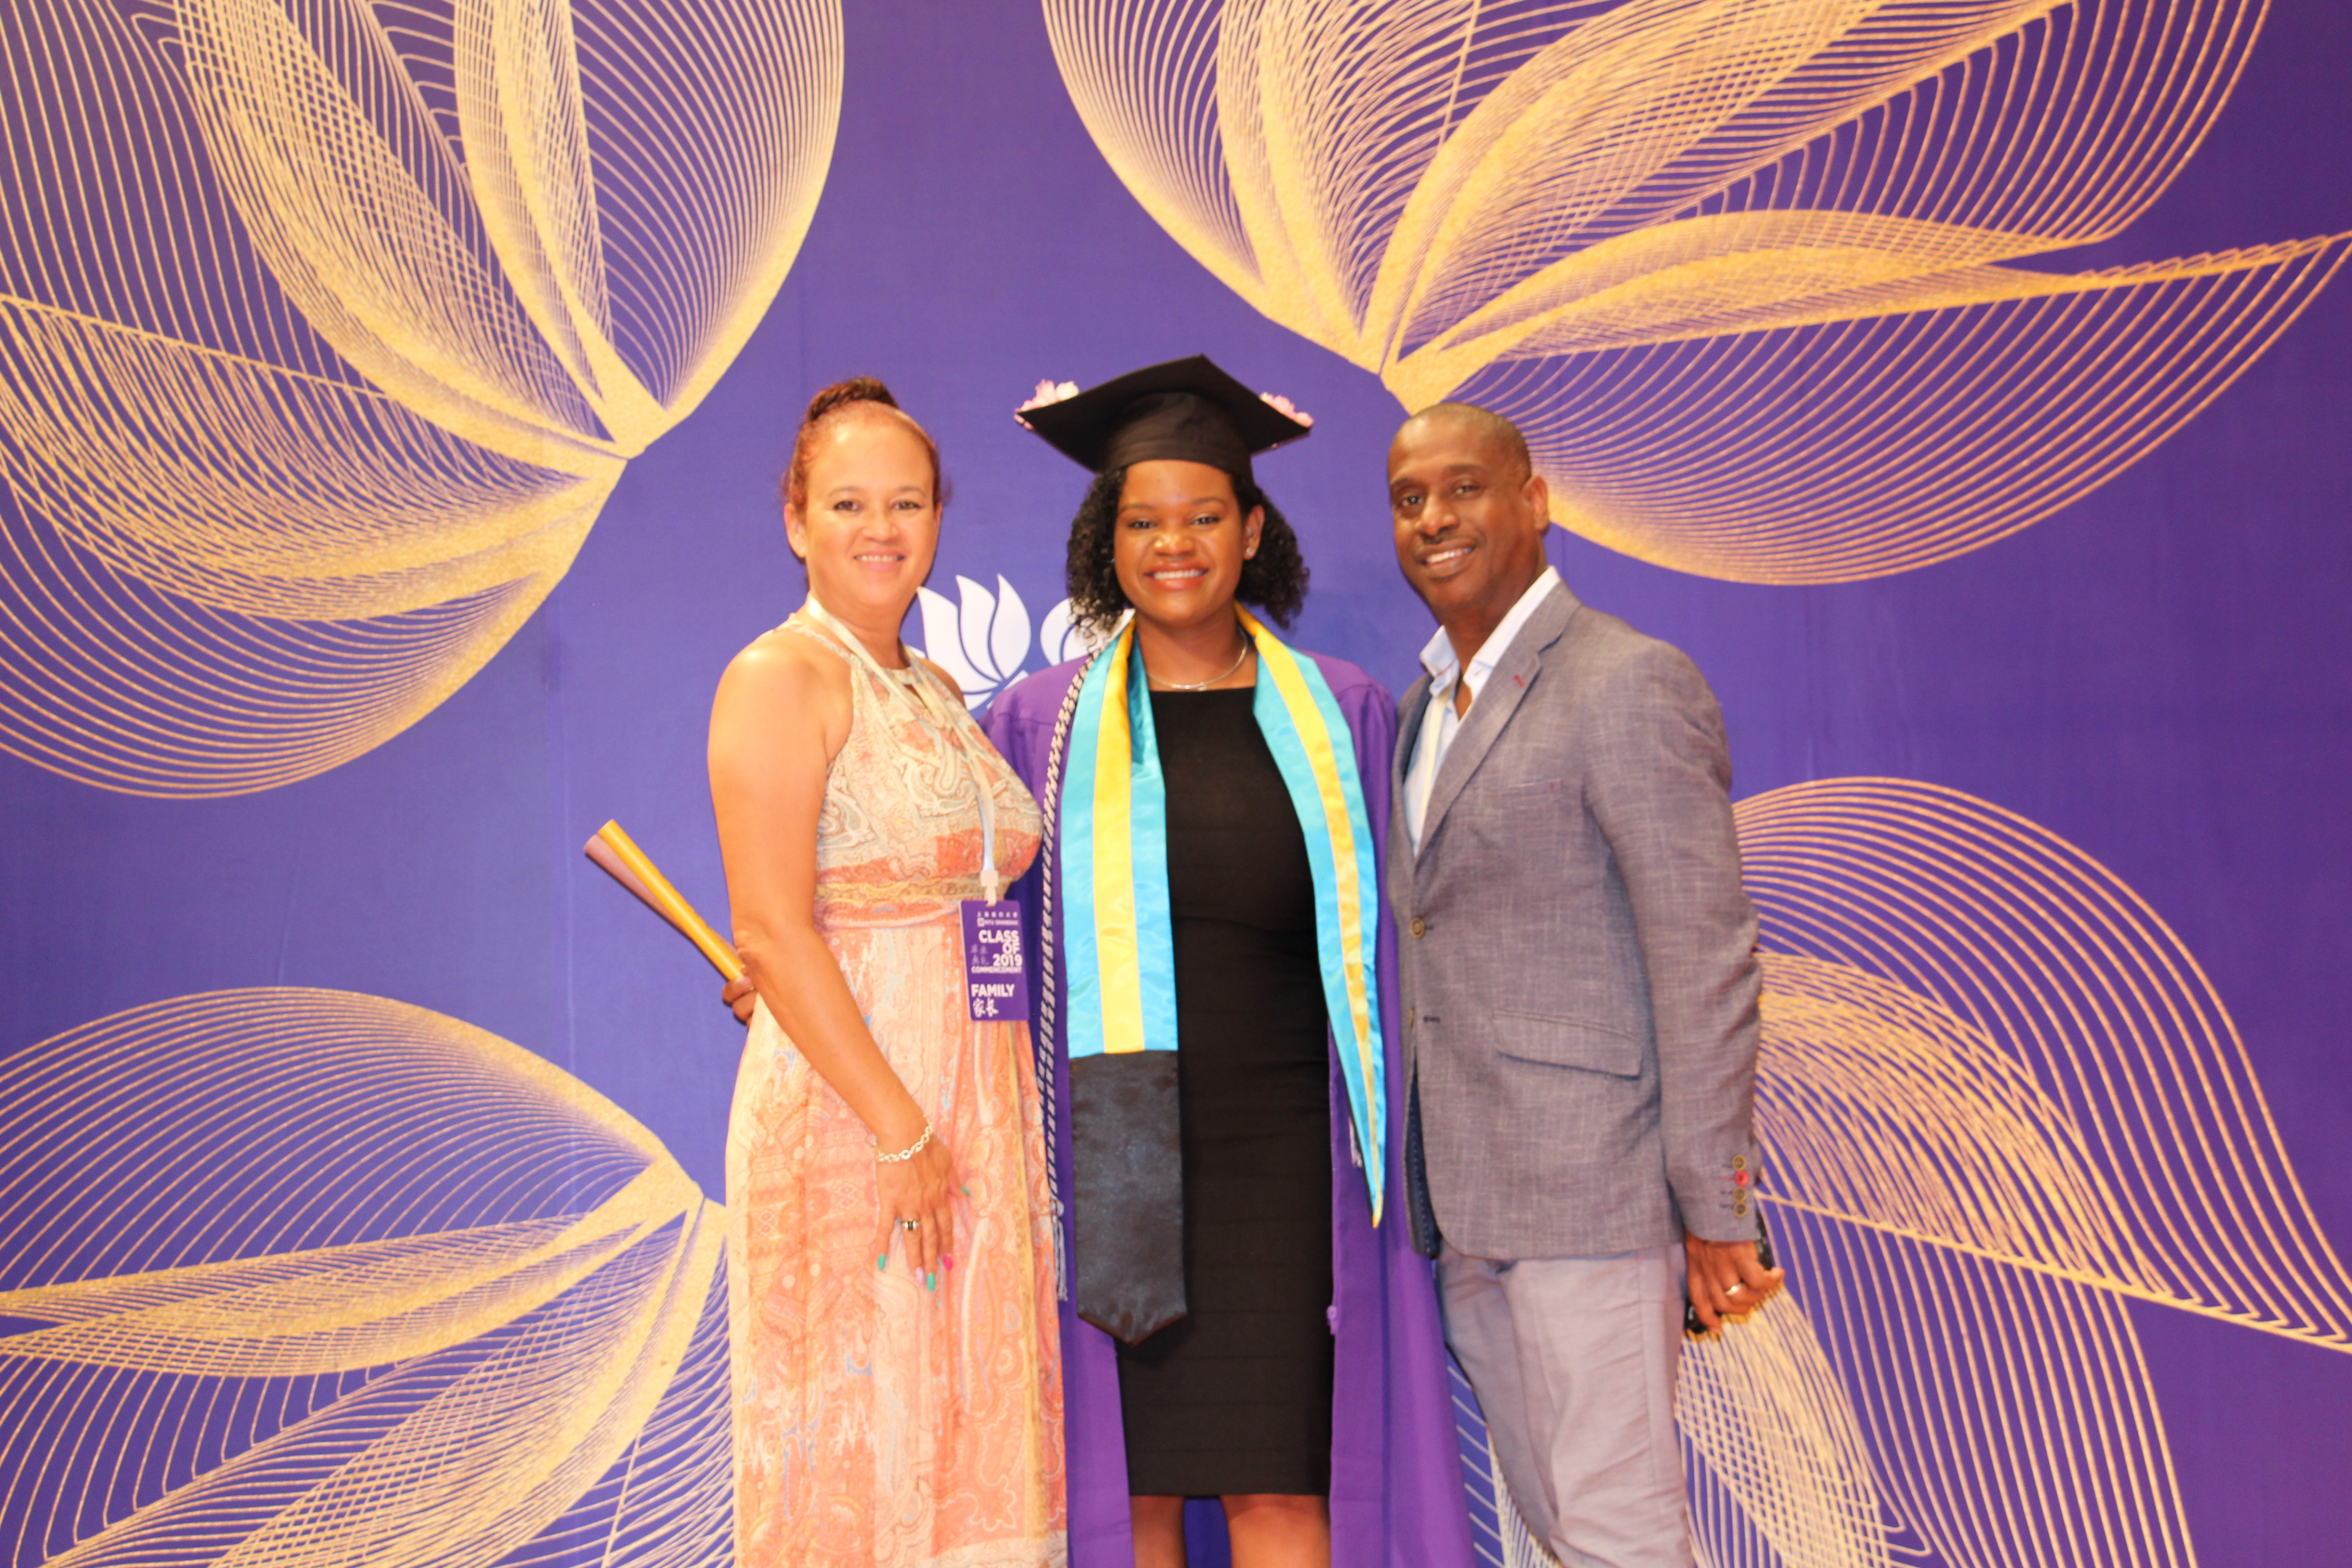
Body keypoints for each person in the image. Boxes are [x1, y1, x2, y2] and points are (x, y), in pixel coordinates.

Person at [983, 358, 1473, 1568]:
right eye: (1144, 523)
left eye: (1205, 517)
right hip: (1117, 1151)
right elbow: (982, 929)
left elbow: (1413, 934)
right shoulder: (1037, 726)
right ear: (1111, 543)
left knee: (1280, 1487)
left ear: (1253, 531)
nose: (1175, 547)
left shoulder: (1343, 709)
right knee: (1131, 1492)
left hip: (1287, 1151)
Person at [1382, 401, 1785, 1568]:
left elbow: (1705, 952)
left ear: (1535, 502)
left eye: (1464, 488)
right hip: (1471, 1205)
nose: (1435, 519)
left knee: (1617, 1532)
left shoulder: (1626, 682)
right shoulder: (1420, 713)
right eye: (1409, 500)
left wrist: (1714, 1208)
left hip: (1595, 1202)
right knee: (1565, 1534)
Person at [708, 379, 1064, 1568]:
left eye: (906, 502)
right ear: (796, 520)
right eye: (848, 501)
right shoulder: (779, 676)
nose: (881, 527)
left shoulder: (934, 689)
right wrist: (902, 1128)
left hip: (978, 1099)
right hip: (864, 1115)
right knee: (869, 1441)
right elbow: (770, 927)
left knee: (967, 1434)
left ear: (940, 518)